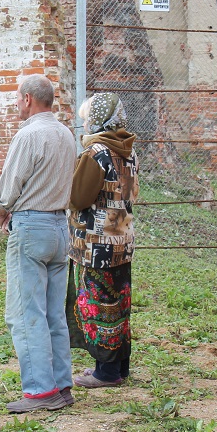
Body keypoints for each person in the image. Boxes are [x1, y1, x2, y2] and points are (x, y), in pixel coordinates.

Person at [0, 74, 76, 413]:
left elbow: (10, 186)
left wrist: (3, 210)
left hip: (31, 225)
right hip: (60, 226)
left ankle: (41, 390)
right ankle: (62, 384)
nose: (16, 103)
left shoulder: (28, 134)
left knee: (25, 312)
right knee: (54, 313)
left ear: (28, 99)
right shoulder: (66, 134)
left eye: (18, 97)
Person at [66, 93, 139, 388]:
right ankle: (119, 366)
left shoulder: (96, 153)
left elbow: (78, 198)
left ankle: (106, 373)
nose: (84, 124)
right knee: (119, 304)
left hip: (96, 245)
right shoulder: (128, 151)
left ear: (98, 120)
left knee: (98, 305)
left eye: (86, 119)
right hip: (122, 240)